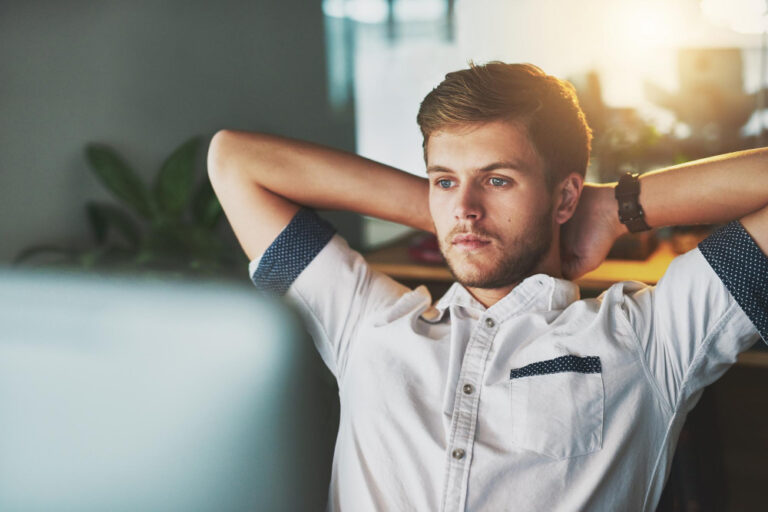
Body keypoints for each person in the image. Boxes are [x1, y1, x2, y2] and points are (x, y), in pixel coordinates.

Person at [207, 61, 768, 511]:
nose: (467, 207)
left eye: (498, 180)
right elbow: (235, 161)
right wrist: (450, 213)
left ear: (564, 196)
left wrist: (613, 209)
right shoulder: (365, 324)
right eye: (445, 180)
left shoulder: (648, 341)